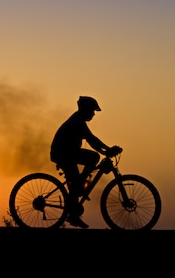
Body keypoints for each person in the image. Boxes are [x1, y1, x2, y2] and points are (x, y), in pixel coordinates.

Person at [49, 96, 122, 228]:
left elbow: (91, 140)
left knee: (77, 182)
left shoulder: (79, 120)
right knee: (93, 159)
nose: (93, 114)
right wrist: (107, 150)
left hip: (67, 153)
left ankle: (74, 212)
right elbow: (91, 139)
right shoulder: (77, 122)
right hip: (63, 154)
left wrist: (106, 151)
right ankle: (78, 191)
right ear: (85, 109)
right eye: (92, 111)